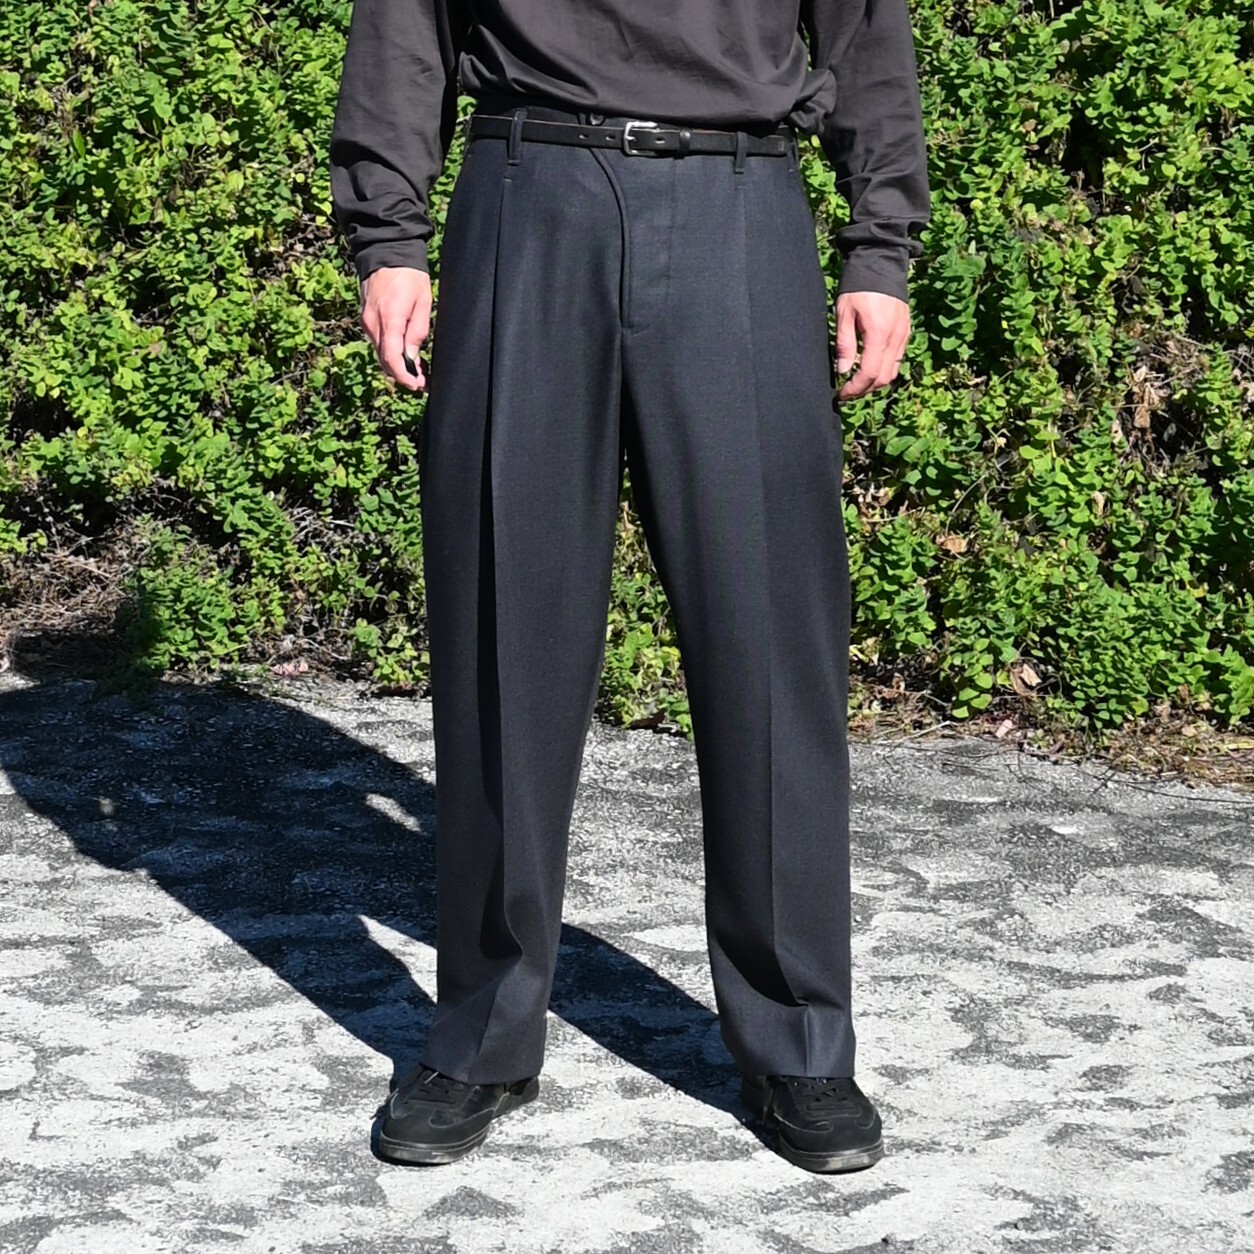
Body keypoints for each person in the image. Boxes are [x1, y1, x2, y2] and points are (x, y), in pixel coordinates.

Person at [328, 0, 930, 1174]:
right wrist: (388, 235)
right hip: (527, 196)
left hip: (740, 204)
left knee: (769, 639)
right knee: (504, 627)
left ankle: (801, 1041)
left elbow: (866, 31)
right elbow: (405, 26)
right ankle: (483, 1035)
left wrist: (880, 247)